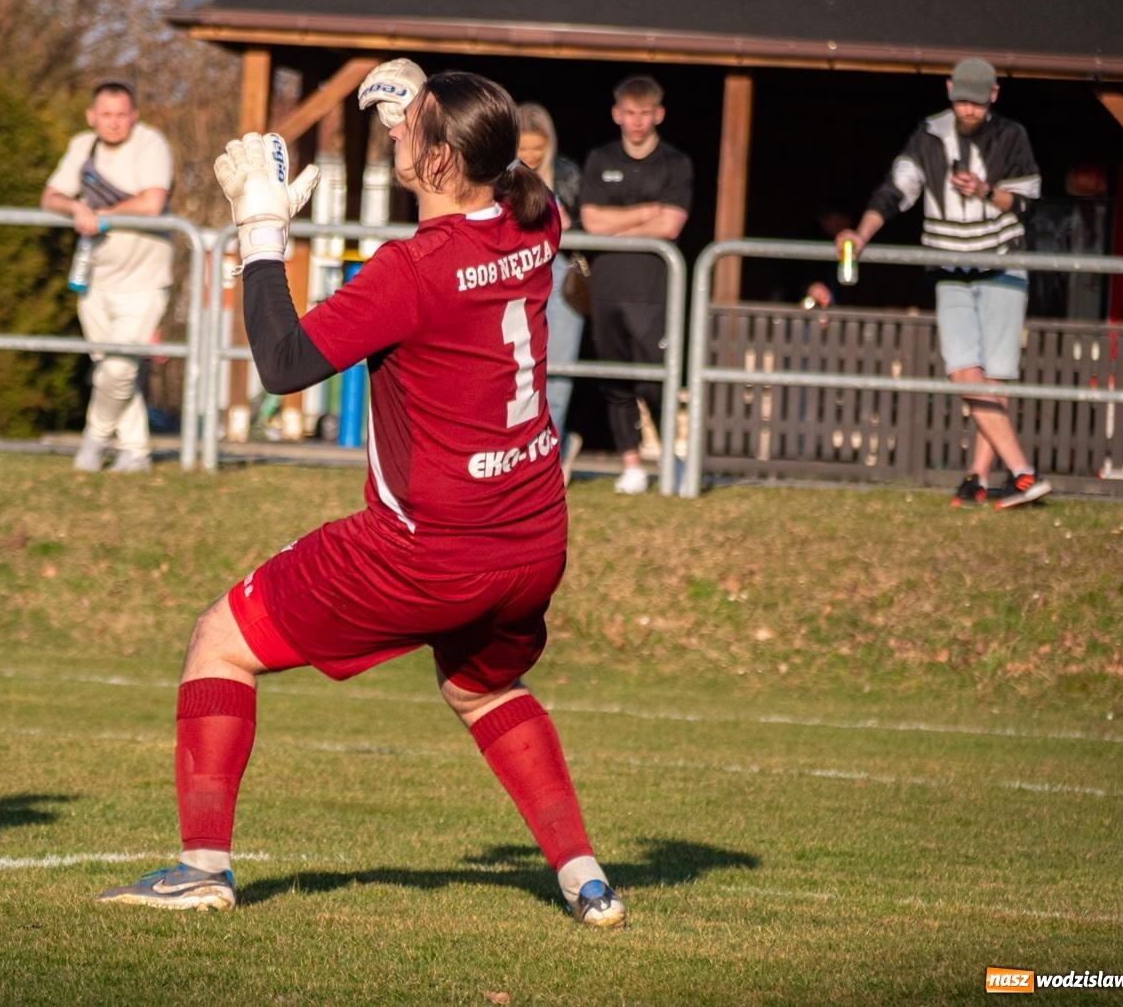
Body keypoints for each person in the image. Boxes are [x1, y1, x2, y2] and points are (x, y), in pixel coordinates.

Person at [97, 64, 627, 929]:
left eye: (412, 122)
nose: (399, 129)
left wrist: (260, 229)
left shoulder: (411, 269)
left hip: (427, 545)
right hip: (534, 540)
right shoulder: (540, 218)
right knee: (483, 688)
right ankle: (584, 876)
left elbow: (283, 364)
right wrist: (416, 106)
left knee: (219, 642)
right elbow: (488, 182)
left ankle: (201, 866)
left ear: (445, 156)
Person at [837, 57, 1048, 509]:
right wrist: (861, 233)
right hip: (950, 267)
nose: (968, 110)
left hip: (1003, 264)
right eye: (961, 101)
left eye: (976, 102)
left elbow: (1030, 206)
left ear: (993, 96)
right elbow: (895, 192)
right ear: (949, 90)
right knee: (961, 369)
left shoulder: (1012, 136)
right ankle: (1025, 473)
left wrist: (986, 192)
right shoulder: (929, 135)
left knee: (991, 378)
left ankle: (977, 478)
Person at [41, 78, 173, 474]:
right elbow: (50, 196)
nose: (114, 123)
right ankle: (135, 451)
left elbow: (153, 202)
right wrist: (75, 209)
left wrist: (102, 217)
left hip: (145, 277)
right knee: (112, 368)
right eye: (106, 115)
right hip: (95, 277)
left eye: (122, 115)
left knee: (119, 367)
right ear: (92, 116)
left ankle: (93, 441)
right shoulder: (83, 146)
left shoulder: (151, 144)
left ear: (133, 116)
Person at [579, 75, 692, 495]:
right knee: (615, 378)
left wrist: (617, 224)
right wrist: (645, 212)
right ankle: (632, 466)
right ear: (616, 114)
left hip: (653, 288)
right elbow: (590, 222)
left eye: (645, 113)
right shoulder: (599, 158)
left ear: (658, 114)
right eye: (630, 112)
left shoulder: (675, 163)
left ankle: (670, 460)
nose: (638, 121)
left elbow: (671, 224)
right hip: (606, 285)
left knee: (654, 380)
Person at [517, 102, 586, 484]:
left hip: (558, 272)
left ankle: (552, 456)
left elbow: (582, 223)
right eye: (522, 148)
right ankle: (522, 456)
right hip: (512, 274)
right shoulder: (495, 176)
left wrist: (568, 218)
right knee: (517, 369)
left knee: (557, 367)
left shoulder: (568, 175)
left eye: (537, 149)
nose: (529, 156)